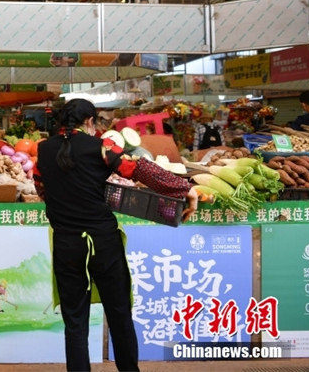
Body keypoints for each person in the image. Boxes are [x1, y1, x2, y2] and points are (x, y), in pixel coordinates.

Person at [37, 99, 197, 372]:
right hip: (103, 242)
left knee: (75, 320)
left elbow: (41, 187)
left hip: (67, 244)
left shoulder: (43, 149)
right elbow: (138, 169)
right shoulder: (101, 147)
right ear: (89, 122)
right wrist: (184, 188)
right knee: (119, 313)